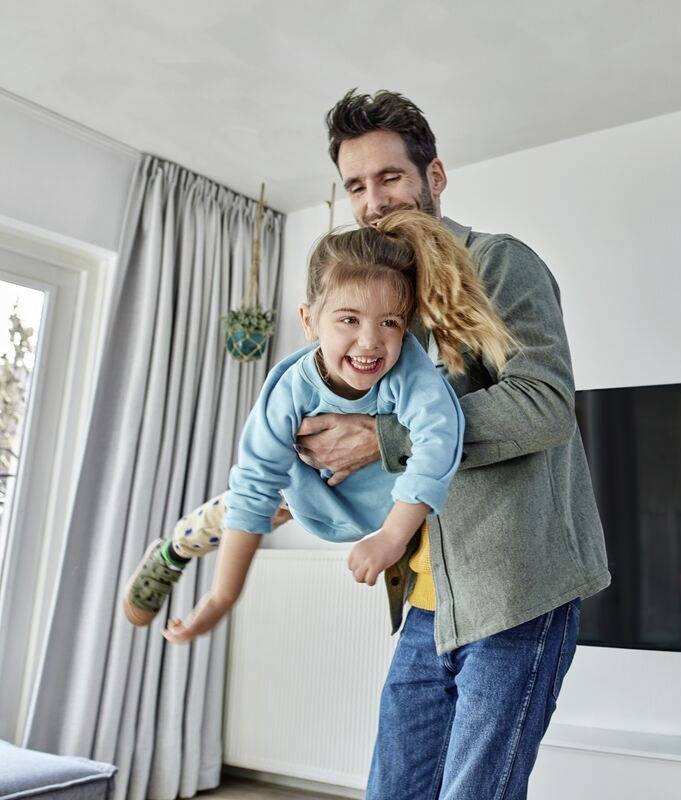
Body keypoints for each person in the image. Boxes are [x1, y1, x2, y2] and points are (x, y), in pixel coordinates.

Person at [288, 90, 611, 800]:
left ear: (433, 177)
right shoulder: (384, 308)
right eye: (355, 186)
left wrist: (383, 438)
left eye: (390, 177)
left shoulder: (499, 265)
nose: (374, 201)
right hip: (430, 605)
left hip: (516, 597)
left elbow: (544, 405)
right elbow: (376, 449)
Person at [121, 209, 514, 646]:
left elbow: (439, 441)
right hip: (302, 490)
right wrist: (220, 600)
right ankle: (172, 551)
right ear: (309, 321)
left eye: (389, 322)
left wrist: (391, 535)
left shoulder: (410, 370)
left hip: (383, 505)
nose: (370, 341)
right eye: (349, 319)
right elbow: (255, 488)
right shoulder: (287, 392)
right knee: (234, 508)